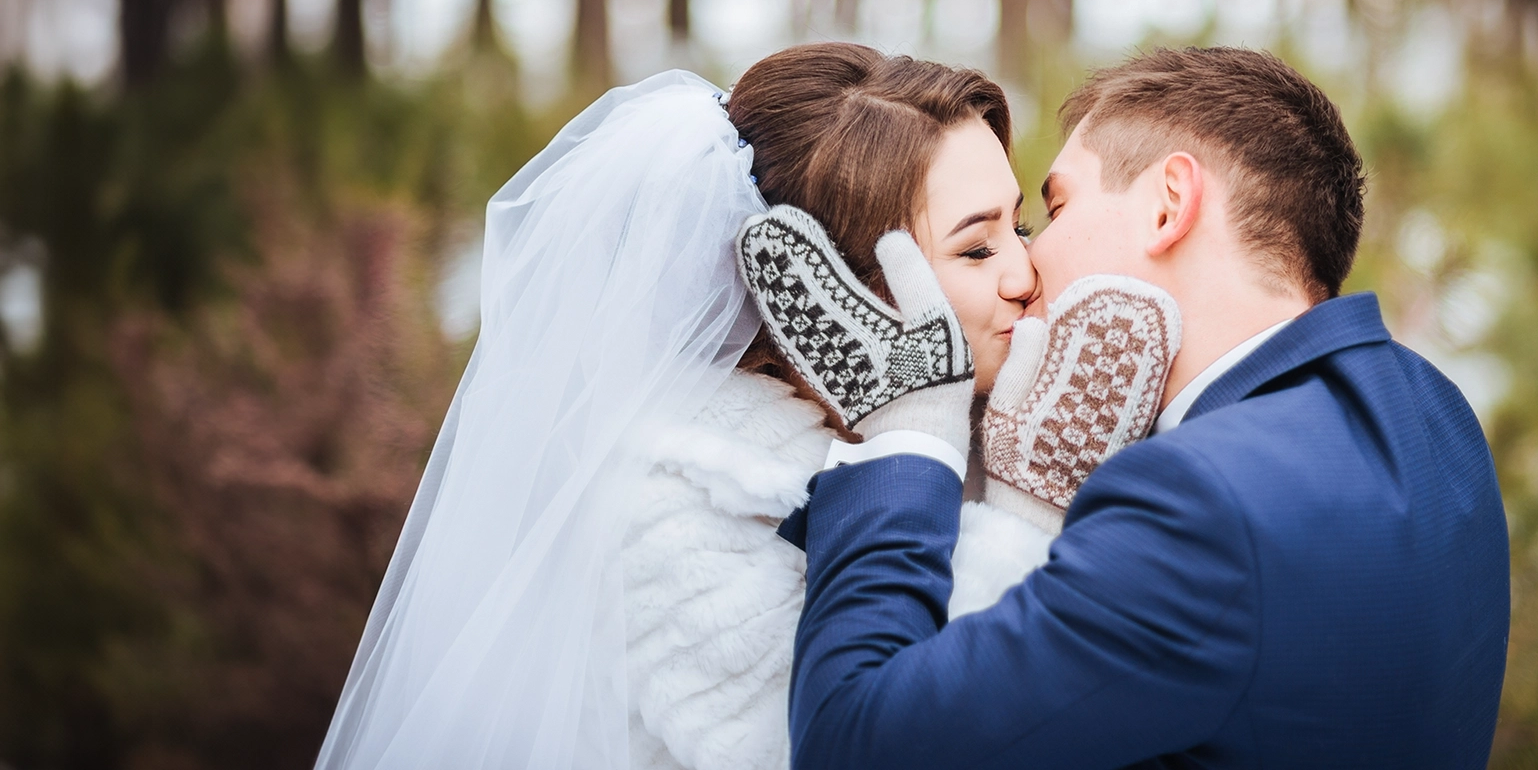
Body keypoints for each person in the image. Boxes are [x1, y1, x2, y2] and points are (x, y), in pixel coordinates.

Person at [313, 43, 1180, 770]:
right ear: (835, 288)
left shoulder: (977, 417)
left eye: (1017, 226)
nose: (1026, 273)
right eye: (976, 245)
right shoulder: (667, 509)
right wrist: (1029, 513)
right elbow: (887, 743)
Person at [765, 47, 1511, 768]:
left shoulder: (1197, 503)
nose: (1030, 266)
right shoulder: (1430, 408)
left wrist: (910, 435)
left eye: (1051, 211)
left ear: (1168, 206)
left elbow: (849, 743)